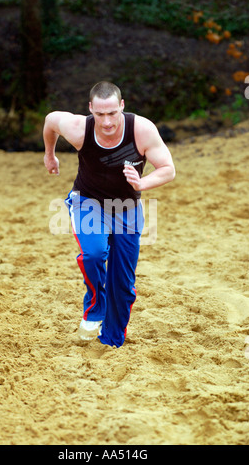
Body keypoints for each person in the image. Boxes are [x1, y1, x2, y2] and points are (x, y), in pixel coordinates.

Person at [43, 81, 175, 348]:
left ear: (122, 107)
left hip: (127, 208)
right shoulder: (80, 129)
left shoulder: (142, 130)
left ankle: (111, 339)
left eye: (112, 113)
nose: (106, 122)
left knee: (123, 284)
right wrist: (50, 155)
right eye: (100, 114)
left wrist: (142, 183)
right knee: (93, 253)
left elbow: (168, 169)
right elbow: (50, 121)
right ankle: (96, 307)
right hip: (88, 202)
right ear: (90, 109)